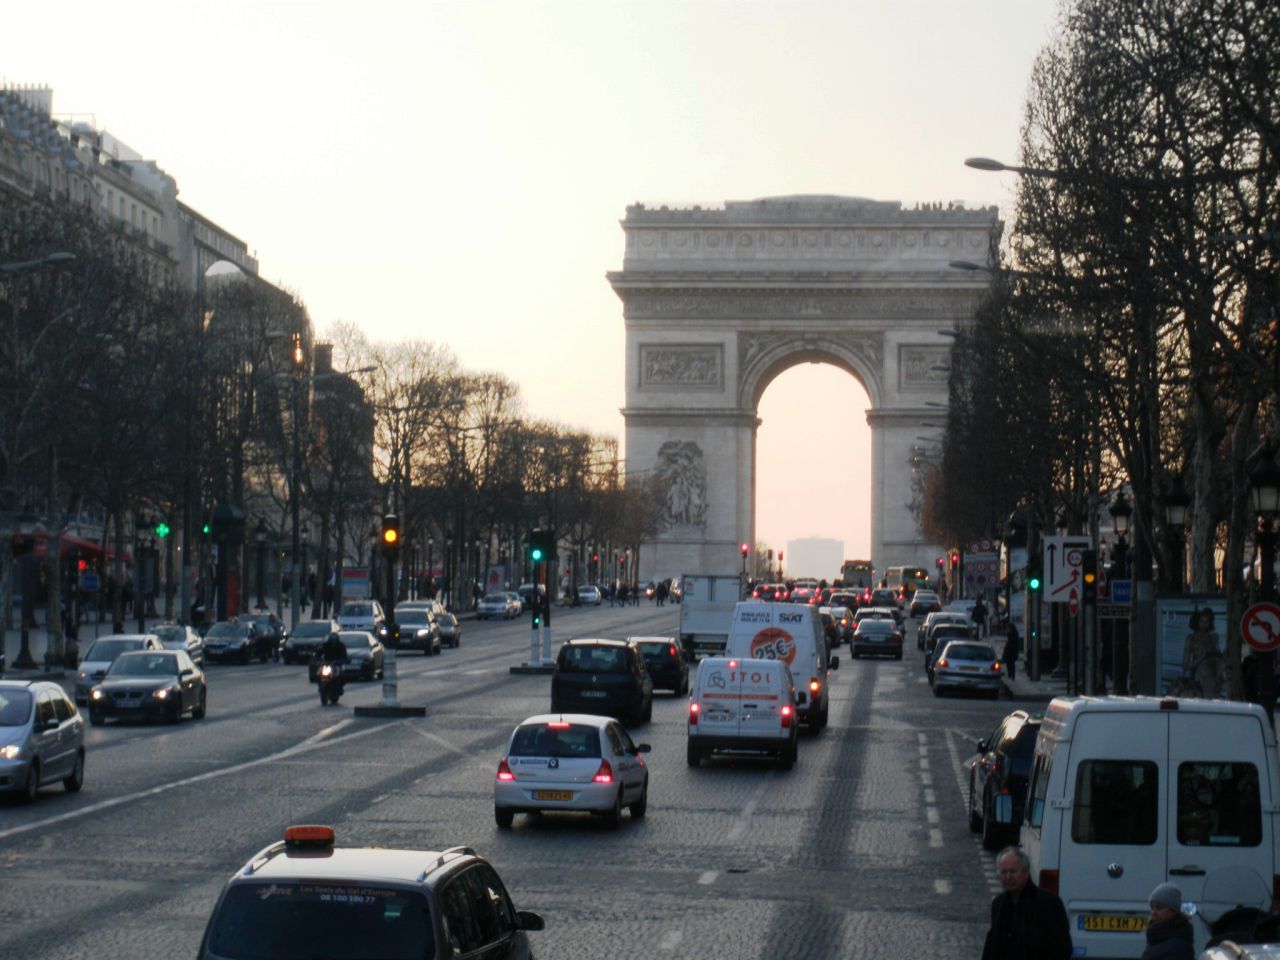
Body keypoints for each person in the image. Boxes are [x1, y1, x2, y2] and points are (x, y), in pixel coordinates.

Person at [982, 846, 1072, 960]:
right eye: (1004, 872)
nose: (1008, 877)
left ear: (1026, 872)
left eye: (1013, 871)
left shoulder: (1050, 903)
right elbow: (991, 947)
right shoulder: (998, 904)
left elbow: (1062, 949)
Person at [1141, 883, 1193, 960]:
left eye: (1159, 908)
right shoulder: (1158, 936)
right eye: (1152, 907)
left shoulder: (1178, 946)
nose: (1153, 913)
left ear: (1173, 911)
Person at [1182, 608, 1224, 697]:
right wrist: (1202, 657)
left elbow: (1220, 656)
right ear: (1196, 622)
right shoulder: (1191, 639)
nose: (1204, 625)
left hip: (1216, 673)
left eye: (1207, 622)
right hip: (1201, 677)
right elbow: (1186, 666)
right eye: (1201, 621)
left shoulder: (1214, 637)